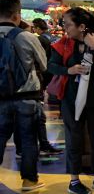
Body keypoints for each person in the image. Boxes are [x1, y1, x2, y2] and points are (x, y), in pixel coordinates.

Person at [49, 8, 94, 194]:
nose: (64, 28)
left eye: (68, 24)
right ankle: (74, 180)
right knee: (74, 139)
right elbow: (51, 66)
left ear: (81, 27)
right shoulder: (63, 44)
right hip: (71, 99)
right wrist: (69, 70)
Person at [0, 0, 48, 191]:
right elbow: (43, 65)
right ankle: (29, 181)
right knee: (28, 140)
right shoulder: (27, 37)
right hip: (27, 97)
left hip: (1, 99)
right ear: (16, 16)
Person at [13, 17, 61, 158]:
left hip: (17, 89)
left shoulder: (10, 41)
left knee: (29, 120)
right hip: (30, 88)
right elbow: (44, 64)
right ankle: (30, 151)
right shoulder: (31, 40)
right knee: (32, 121)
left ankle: (30, 148)